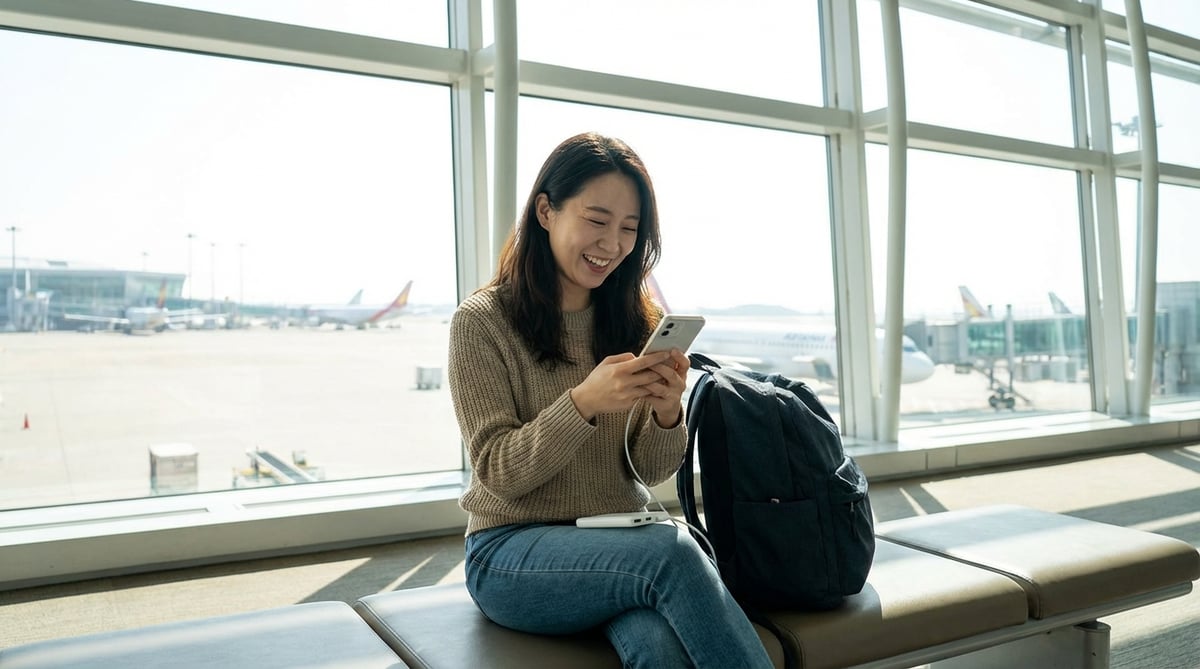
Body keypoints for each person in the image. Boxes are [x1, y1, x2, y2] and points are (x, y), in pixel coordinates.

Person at [447, 132, 772, 668]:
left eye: (629, 229)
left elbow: (647, 469)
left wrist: (669, 412)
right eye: (597, 221)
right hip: (512, 553)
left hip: (620, 545)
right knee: (674, 554)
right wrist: (583, 403)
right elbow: (499, 473)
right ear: (546, 212)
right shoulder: (482, 322)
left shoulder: (633, 320)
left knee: (658, 649)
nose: (612, 244)